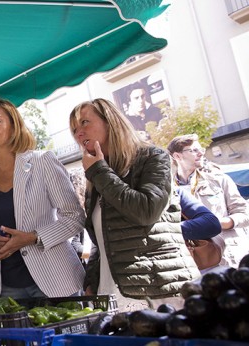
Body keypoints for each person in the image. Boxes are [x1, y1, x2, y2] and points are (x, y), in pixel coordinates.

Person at [69, 98, 200, 311]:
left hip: (157, 290)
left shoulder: (152, 157)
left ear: (110, 121)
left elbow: (146, 211)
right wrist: (92, 281)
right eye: (74, 129)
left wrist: (99, 171)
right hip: (114, 292)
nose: (79, 133)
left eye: (84, 123)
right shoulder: (96, 174)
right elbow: (101, 240)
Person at [0, 96, 86, 299]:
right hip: (8, 287)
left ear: (14, 127)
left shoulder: (42, 161)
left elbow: (74, 217)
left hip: (55, 281)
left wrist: (33, 237)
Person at [167, 134, 249, 268]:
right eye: (193, 150)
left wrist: (215, 224)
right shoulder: (170, 191)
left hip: (229, 255)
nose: (200, 153)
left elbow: (245, 215)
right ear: (177, 156)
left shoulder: (219, 180)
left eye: (201, 149)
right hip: (196, 260)